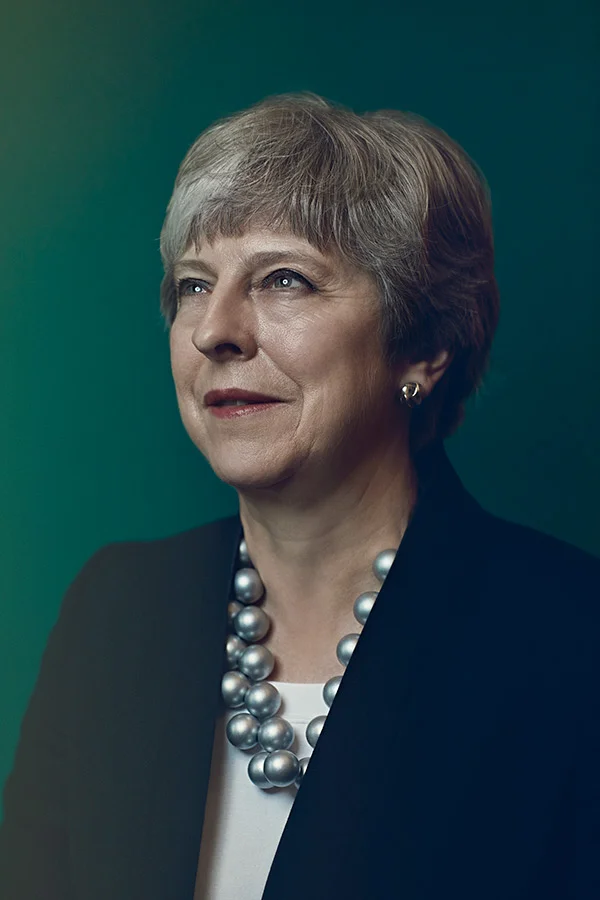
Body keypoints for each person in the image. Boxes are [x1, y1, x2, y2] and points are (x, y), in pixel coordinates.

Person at [1, 93, 598, 900]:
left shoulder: (569, 637)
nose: (216, 329)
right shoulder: (117, 607)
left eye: (284, 279)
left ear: (422, 346)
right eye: (191, 286)